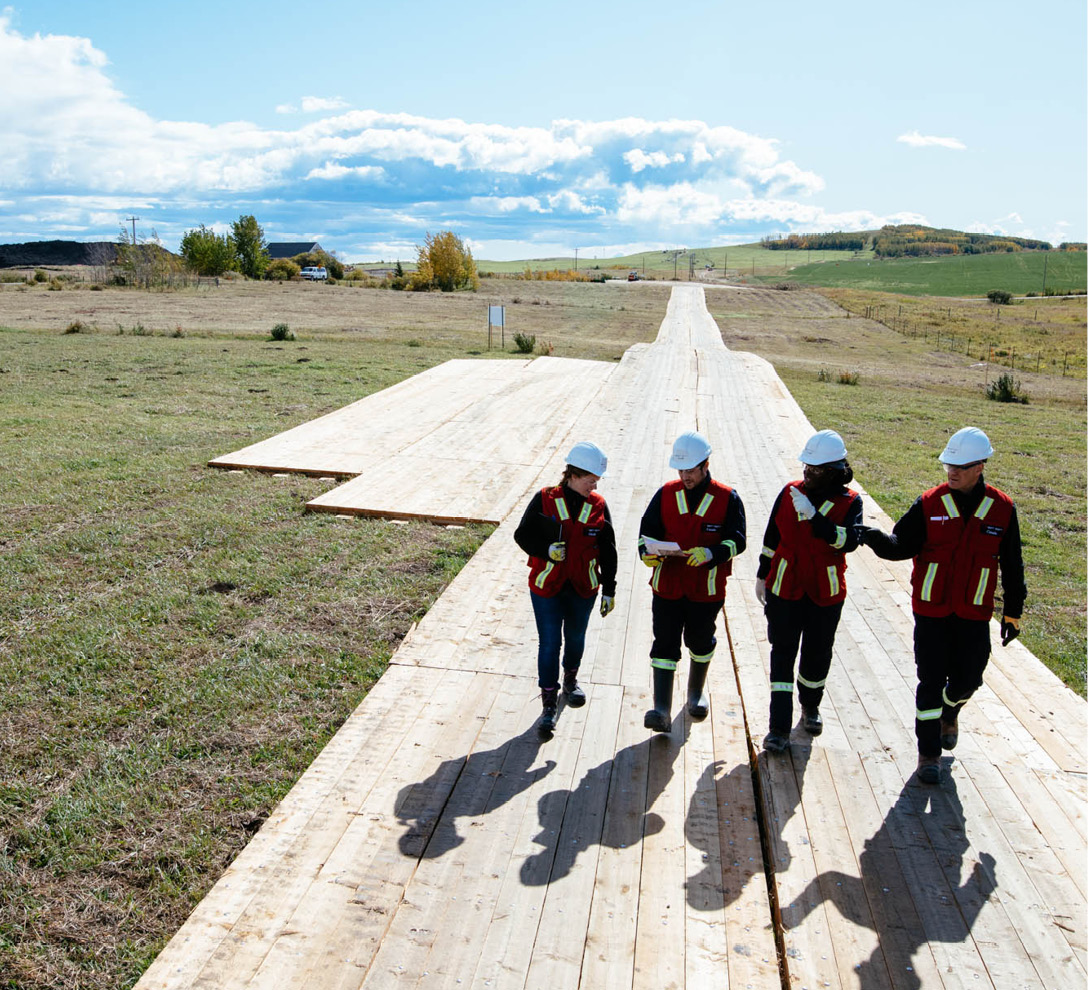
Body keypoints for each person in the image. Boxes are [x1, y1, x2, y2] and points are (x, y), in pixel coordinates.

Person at [858, 427, 1026, 784]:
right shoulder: (929, 503)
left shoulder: (1002, 508)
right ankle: (928, 755)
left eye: (961, 466)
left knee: (970, 678)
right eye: (949, 464)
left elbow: (1012, 564)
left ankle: (951, 710)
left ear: (980, 466)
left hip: (974, 612)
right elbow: (900, 545)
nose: (952, 471)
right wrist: (872, 537)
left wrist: (1013, 611)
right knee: (929, 681)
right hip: (931, 611)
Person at [755, 429, 863, 753]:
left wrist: (816, 518)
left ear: (833, 472)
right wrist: (762, 575)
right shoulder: (789, 492)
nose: (806, 473)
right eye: (805, 466)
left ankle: (811, 705)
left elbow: (849, 541)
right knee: (782, 654)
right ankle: (778, 728)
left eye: (814, 469)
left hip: (824, 594)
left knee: (817, 656)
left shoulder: (851, 502)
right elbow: (772, 535)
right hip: (784, 588)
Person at [638, 430, 746, 732]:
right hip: (668, 586)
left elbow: (738, 541)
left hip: (705, 590)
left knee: (699, 642)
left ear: (705, 465)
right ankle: (661, 709)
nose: (684, 475)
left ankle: (695, 693)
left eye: (690, 470)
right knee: (664, 642)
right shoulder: (665, 493)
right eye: (680, 469)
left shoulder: (728, 498)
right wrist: (647, 554)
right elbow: (645, 534)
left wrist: (712, 552)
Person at [514, 441, 617, 736]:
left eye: (596, 480)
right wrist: (546, 550)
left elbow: (608, 550)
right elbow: (522, 535)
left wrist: (609, 588)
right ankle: (548, 703)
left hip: (583, 588)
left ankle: (571, 681)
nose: (594, 485)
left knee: (575, 637)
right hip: (547, 586)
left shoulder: (599, 505)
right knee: (549, 643)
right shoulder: (544, 499)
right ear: (573, 474)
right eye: (590, 479)